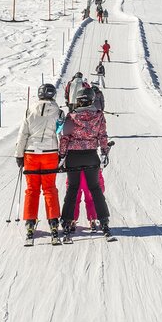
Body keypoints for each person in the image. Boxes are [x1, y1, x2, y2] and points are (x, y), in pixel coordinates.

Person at [59, 84, 112, 240]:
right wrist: (104, 152)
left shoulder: (72, 116)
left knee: (72, 189)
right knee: (95, 188)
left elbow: (65, 137)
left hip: (74, 157)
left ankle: (67, 220)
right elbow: (102, 135)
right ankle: (103, 220)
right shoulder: (99, 116)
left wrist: (61, 155)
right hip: (91, 155)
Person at [14, 83, 63, 244]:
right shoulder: (59, 112)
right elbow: (61, 134)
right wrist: (62, 155)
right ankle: (53, 221)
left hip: (31, 154)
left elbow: (23, 134)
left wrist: (19, 155)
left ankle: (30, 221)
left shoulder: (30, 110)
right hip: (50, 154)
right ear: (53, 95)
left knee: (32, 189)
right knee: (49, 188)